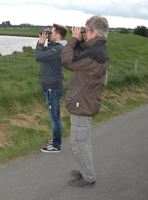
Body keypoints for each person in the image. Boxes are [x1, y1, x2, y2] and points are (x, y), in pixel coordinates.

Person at [61, 15, 109, 187]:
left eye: (86, 30)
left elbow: (68, 60)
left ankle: (88, 177)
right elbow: (81, 55)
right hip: (86, 100)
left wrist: (73, 39)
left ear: (94, 33)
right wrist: (80, 41)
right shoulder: (98, 50)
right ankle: (85, 170)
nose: (84, 32)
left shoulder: (95, 52)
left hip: (83, 102)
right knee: (81, 140)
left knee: (78, 142)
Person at [35, 23, 67, 153]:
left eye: (52, 32)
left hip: (52, 88)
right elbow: (45, 53)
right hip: (52, 86)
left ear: (58, 35)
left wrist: (40, 43)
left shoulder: (58, 49)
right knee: (55, 114)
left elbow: (39, 56)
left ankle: (56, 145)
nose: (49, 34)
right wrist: (46, 39)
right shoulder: (55, 47)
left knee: (54, 116)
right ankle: (56, 139)